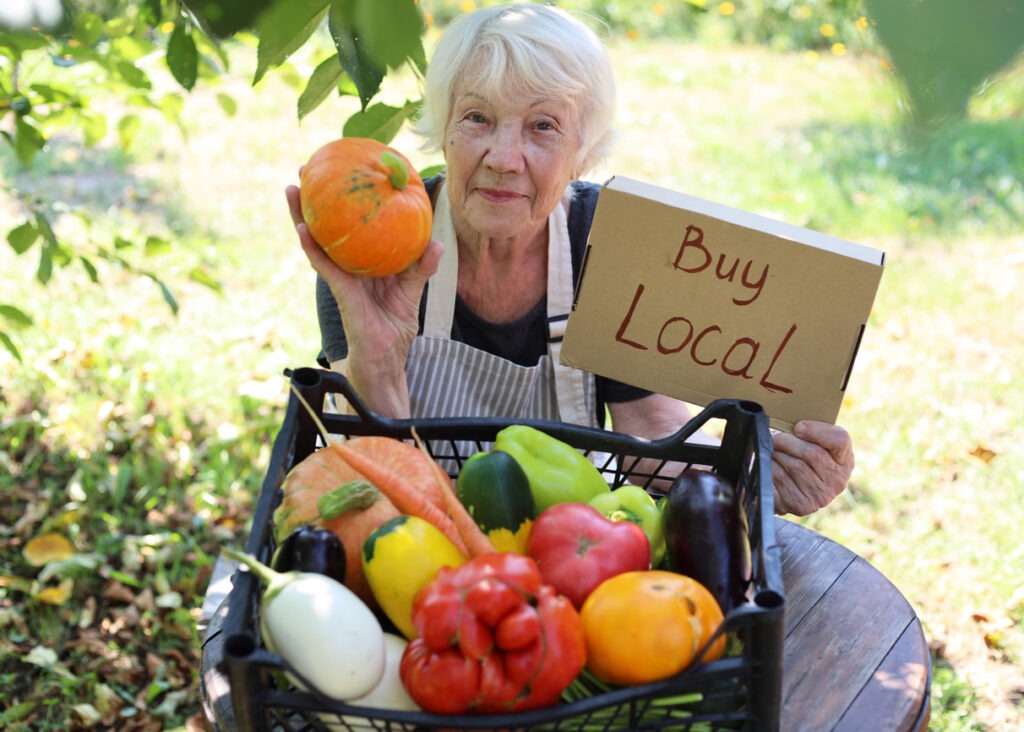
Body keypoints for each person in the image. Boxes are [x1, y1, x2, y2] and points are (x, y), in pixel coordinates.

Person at [285, 2, 853, 516]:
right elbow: (367, 487)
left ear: (583, 154)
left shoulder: (604, 241)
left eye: (543, 126)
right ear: (445, 127)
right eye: (478, 117)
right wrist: (379, 364)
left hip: (569, 552)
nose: (505, 159)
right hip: (411, 532)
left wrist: (757, 476)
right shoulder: (376, 242)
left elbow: (648, 434)